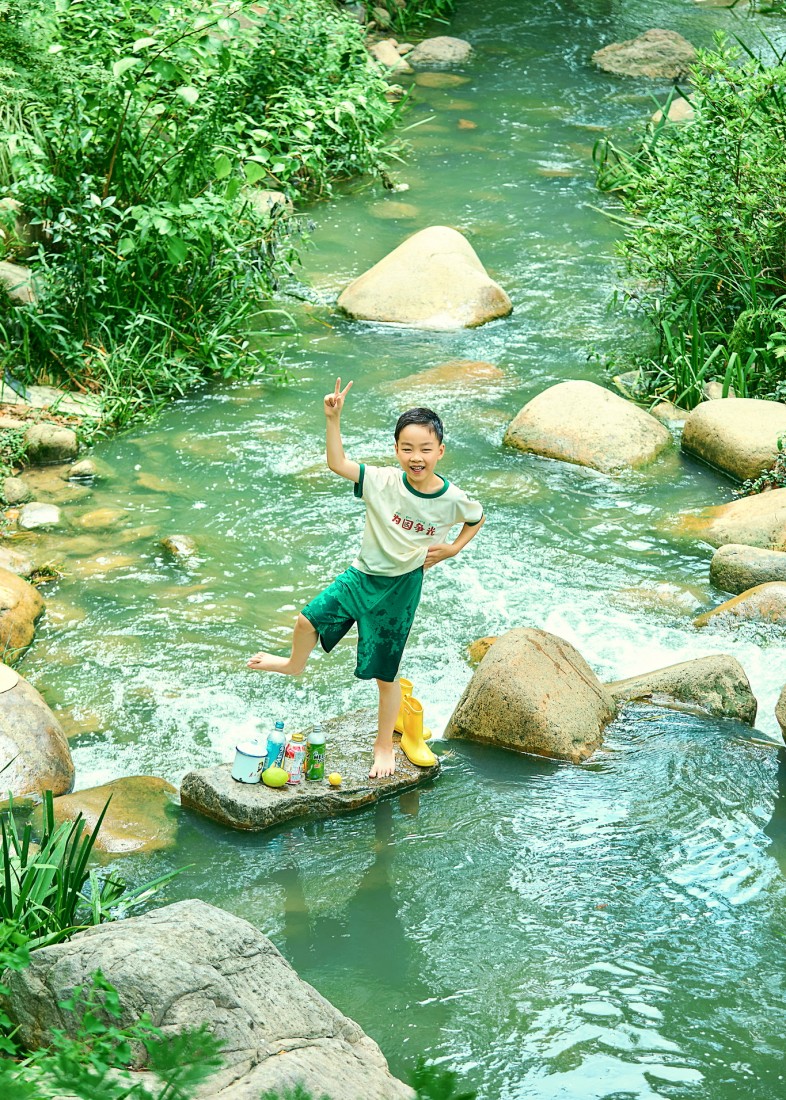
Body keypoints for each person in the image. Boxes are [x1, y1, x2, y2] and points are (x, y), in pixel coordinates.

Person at [248, 378, 485, 778]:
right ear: (396, 450)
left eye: (425, 449)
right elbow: (337, 464)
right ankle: (293, 664)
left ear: (440, 451)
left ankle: (383, 746)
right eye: (407, 448)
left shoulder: (452, 498)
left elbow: (477, 517)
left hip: (400, 590)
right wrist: (333, 418)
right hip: (360, 576)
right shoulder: (382, 480)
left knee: (384, 675)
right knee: (307, 620)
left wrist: (453, 548)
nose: (416, 457)